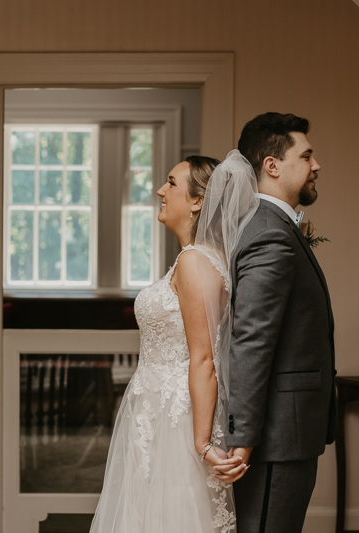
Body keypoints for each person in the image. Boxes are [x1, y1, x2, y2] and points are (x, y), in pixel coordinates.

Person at [90, 152, 259, 533]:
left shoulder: (195, 262)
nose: (159, 190)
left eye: (170, 183)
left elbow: (204, 359)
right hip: (156, 411)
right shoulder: (200, 259)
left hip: (175, 420)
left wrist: (200, 442)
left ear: (198, 201)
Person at [226, 112, 338, 533]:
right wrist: (243, 436)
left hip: (285, 431)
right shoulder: (269, 232)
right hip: (273, 435)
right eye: (306, 155)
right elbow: (251, 338)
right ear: (272, 165)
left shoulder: (272, 226)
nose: (316, 165)